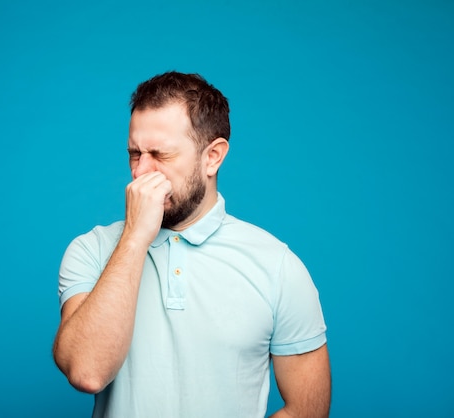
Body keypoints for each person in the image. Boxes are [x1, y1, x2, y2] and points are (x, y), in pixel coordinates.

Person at [53, 71, 330, 418]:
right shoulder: (91, 250)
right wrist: (136, 237)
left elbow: (308, 409)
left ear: (212, 156)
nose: (141, 172)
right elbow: (86, 371)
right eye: (135, 153)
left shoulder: (278, 265)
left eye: (161, 155)